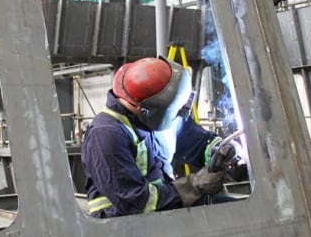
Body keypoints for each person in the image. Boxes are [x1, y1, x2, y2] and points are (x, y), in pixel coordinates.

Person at [81, 56, 242, 219]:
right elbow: (137, 202)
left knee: (236, 211)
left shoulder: (158, 118)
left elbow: (197, 142)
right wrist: (193, 187)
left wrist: (218, 149)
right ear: (147, 109)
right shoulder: (105, 135)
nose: (179, 115)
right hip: (124, 225)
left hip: (165, 209)